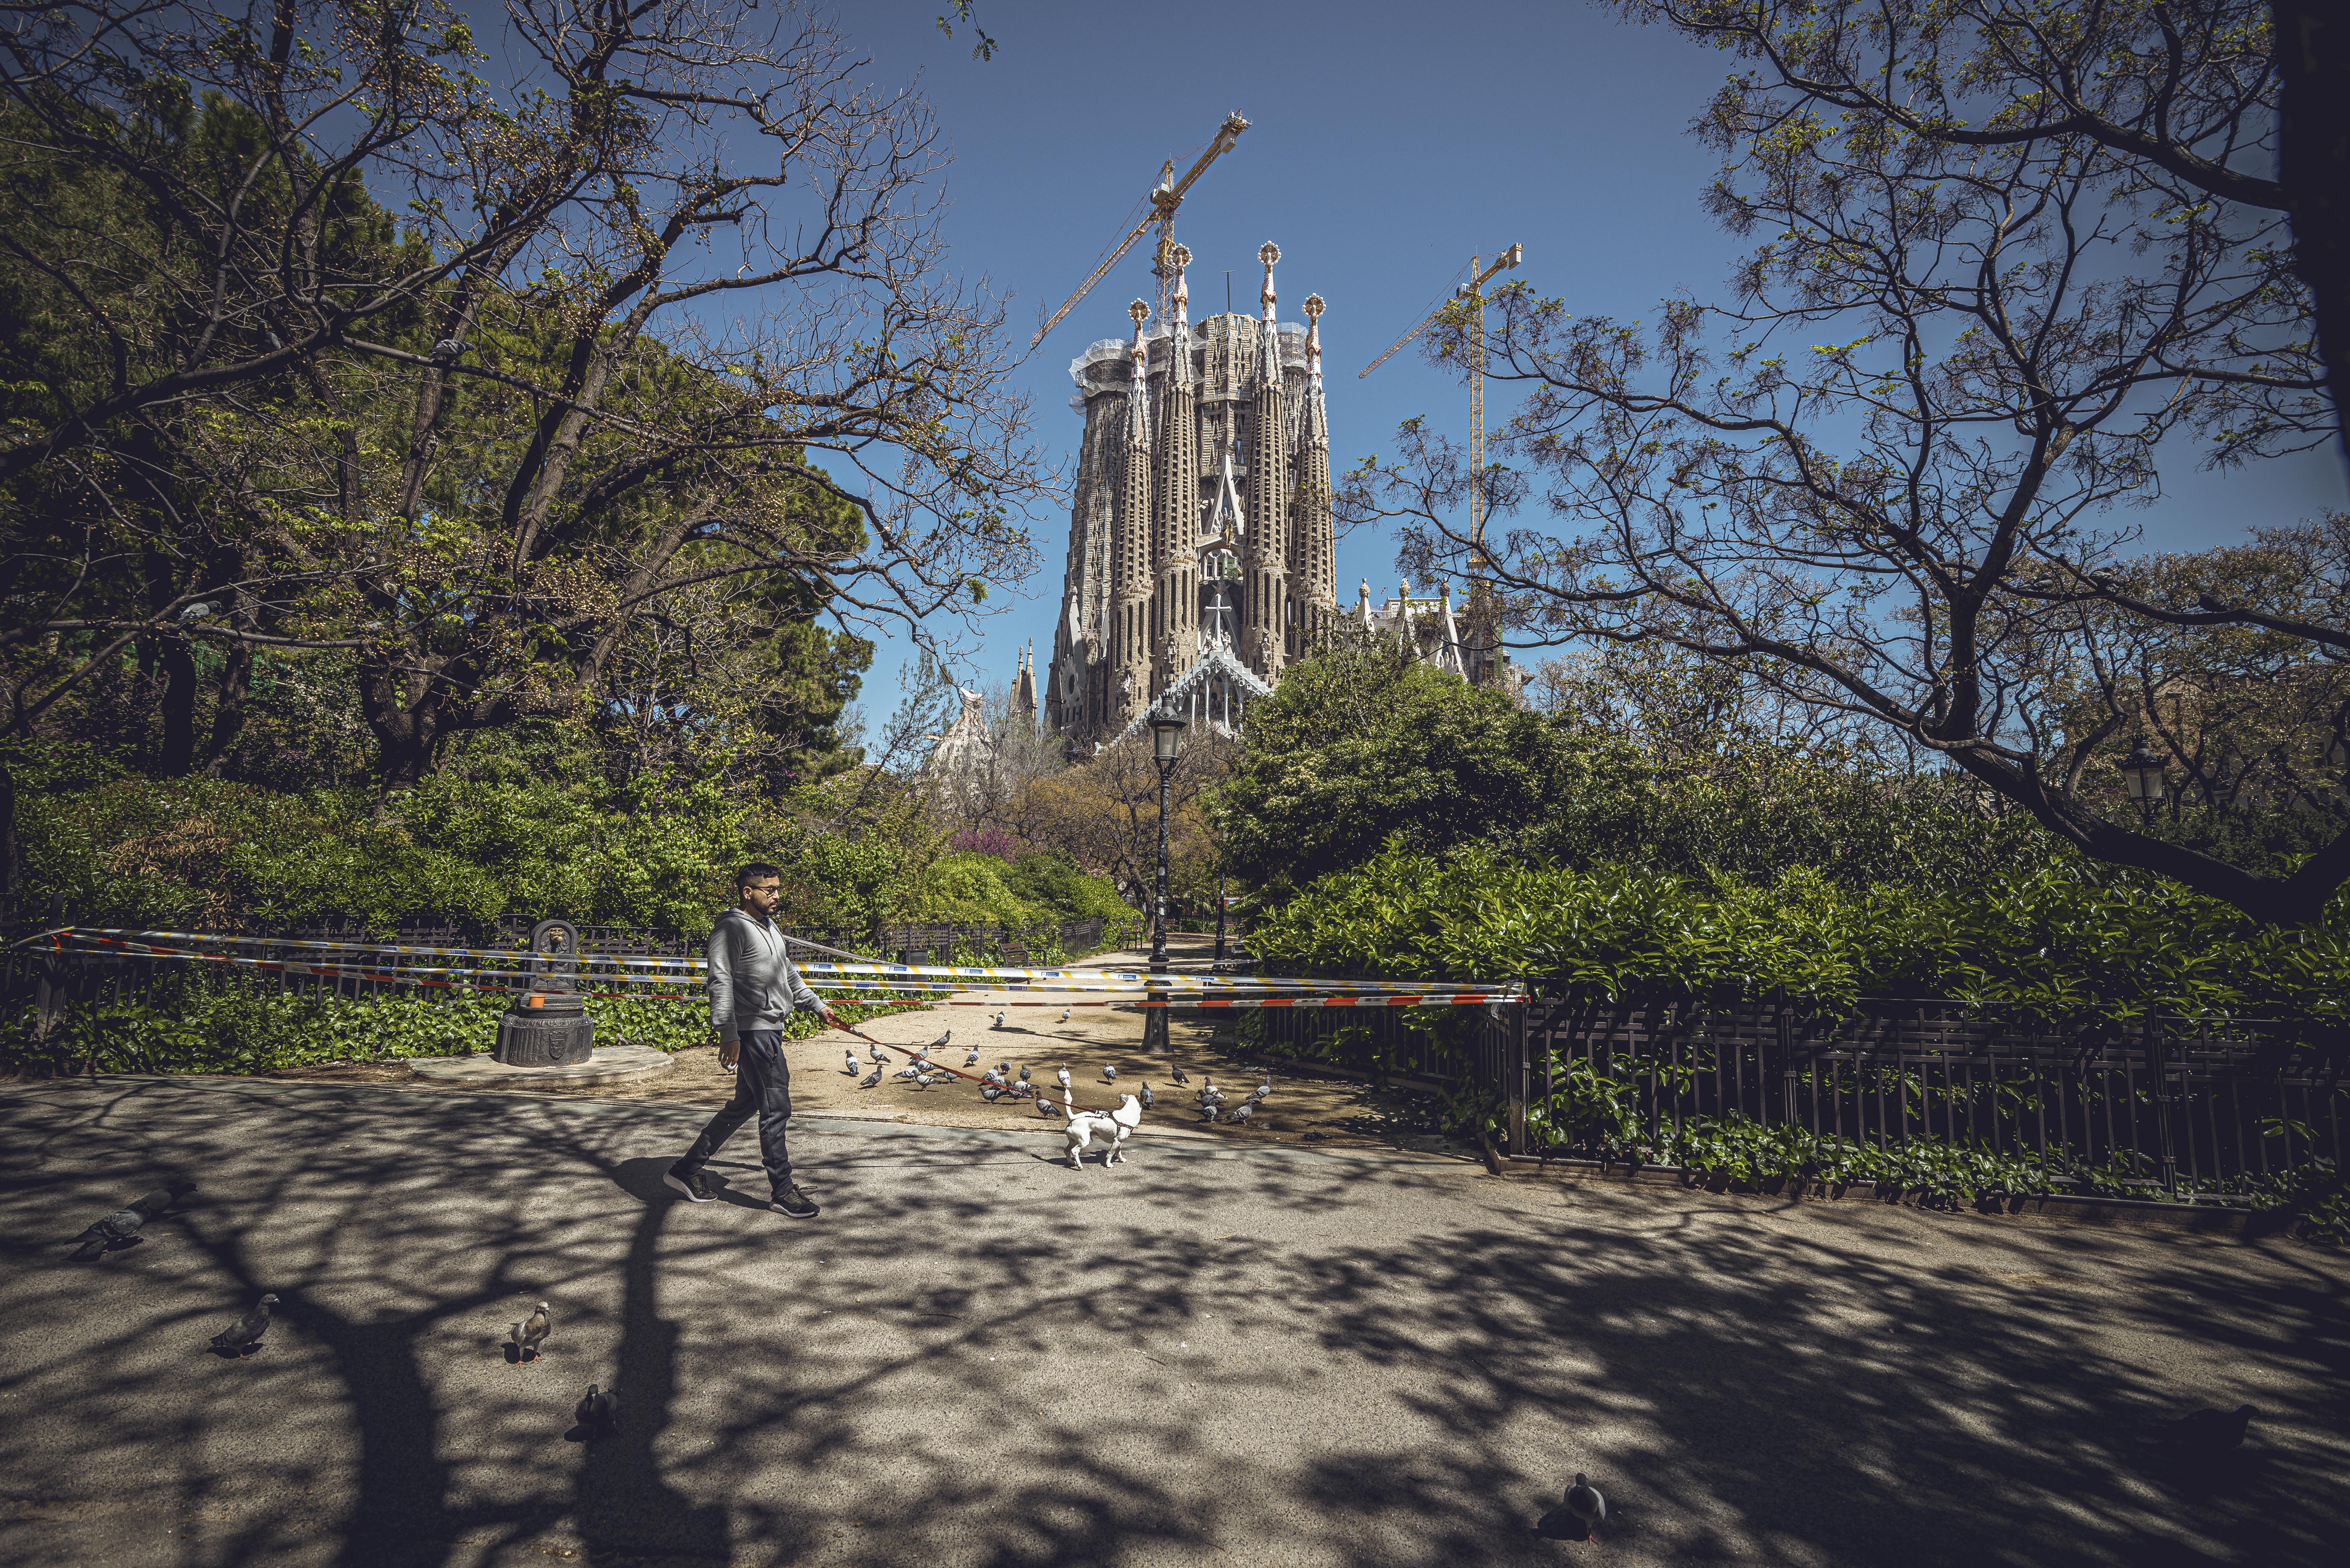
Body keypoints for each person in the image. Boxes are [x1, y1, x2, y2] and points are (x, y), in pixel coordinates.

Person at [664, 863, 837, 1218]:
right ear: (748, 893)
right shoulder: (730, 928)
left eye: (777, 889)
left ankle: (686, 1168)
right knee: (776, 1108)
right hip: (753, 1030)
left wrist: (817, 1006)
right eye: (768, 889)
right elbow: (720, 980)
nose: (776, 895)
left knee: (745, 1105)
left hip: (769, 1027)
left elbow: (786, 972)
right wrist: (728, 1033)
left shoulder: (769, 927)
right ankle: (783, 1191)